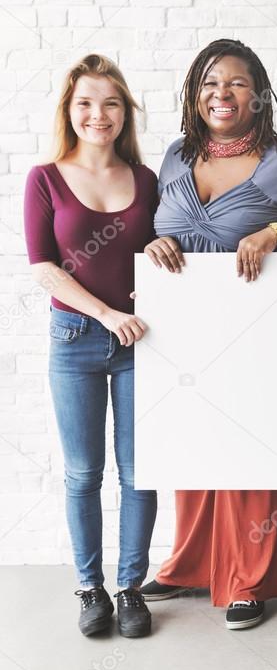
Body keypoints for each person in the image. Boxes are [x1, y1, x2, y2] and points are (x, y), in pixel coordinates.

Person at [139, 39, 277, 630]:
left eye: (234, 83)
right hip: (188, 331)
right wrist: (159, 244)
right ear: (193, 94)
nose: (220, 94)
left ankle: (248, 579)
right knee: (198, 448)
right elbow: (163, 228)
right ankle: (192, 565)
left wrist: (275, 232)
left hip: (262, 331)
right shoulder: (177, 156)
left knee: (252, 452)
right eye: (208, 83)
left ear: (258, 96)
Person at [24, 53, 158, 639]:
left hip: (140, 343)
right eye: (85, 102)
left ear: (123, 111)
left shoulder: (147, 179)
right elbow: (43, 268)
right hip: (77, 338)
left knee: (139, 473)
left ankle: (130, 588)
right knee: (83, 473)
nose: (97, 114)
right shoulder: (45, 178)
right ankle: (89, 588)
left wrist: (161, 254)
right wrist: (104, 312)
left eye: (109, 103)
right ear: (69, 110)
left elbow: (163, 251)